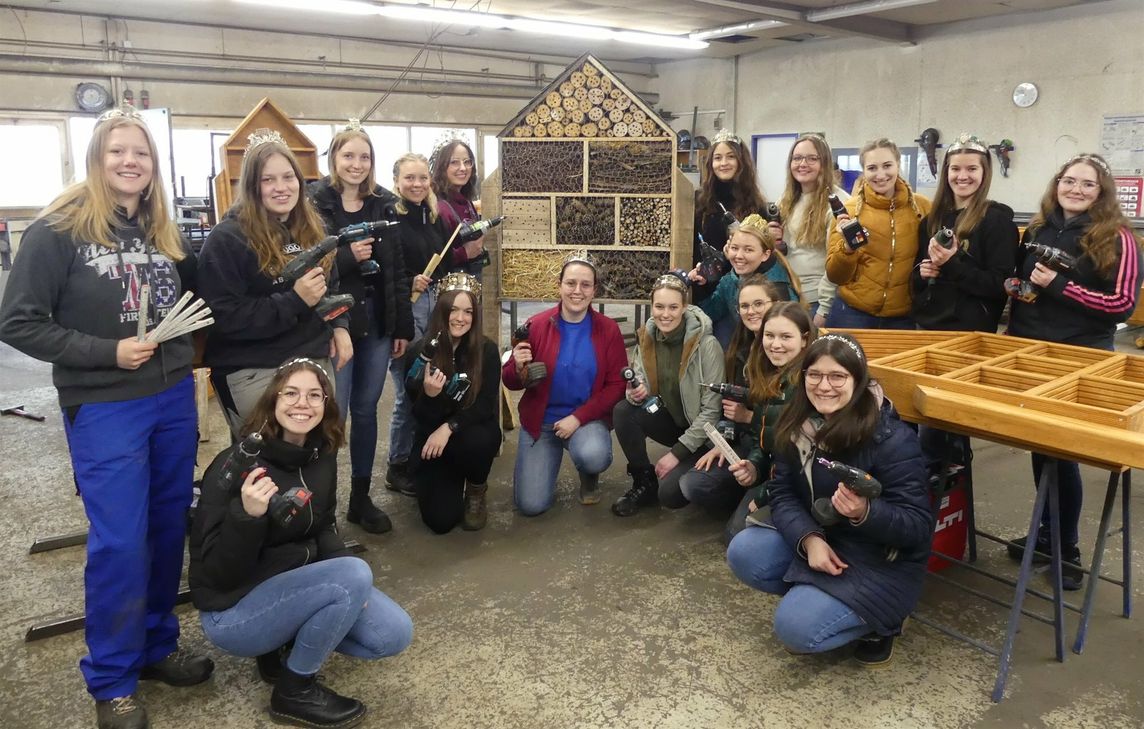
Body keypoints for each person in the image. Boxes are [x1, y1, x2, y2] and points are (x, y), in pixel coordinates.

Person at [0, 106, 213, 729]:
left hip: (172, 398)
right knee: (120, 540)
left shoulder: (161, 233)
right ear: (97, 158)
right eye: (118, 151)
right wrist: (106, 353)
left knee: (167, 525)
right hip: (105, 405)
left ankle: (153, 647)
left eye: (141, 154)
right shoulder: (57, 230)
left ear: (153, 167)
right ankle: (113, 678)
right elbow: (17, 322)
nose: (130, 162)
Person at [190, 358, 413, 728]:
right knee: (354, 574)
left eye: (314, 395)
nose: (301, 404)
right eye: (290, 393)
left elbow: (324, 526)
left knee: (392, 634)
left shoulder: (320, 455)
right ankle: (294, 690)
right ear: (273, 401)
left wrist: (352, 584)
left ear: (326, 404)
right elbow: (216, 576)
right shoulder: (235, 465)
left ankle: (282, 645)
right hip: (232, 612)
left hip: (288, 585)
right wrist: (246, 518)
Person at [726, 334, 933, 665]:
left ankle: (882, 624)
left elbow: (919, 527)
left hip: (878, 559)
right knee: (744, 551)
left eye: (837, 376)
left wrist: (866, 512)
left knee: (796, 629)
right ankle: (819, 598)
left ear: (858, 379)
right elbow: (782, 491)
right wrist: (809, 540)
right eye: (814, 375)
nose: (824, 386)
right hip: (825, 538)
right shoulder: (796, 423)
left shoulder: (892, 439)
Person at [1006, 153, 1143, 590]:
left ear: (1101, 193)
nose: (1076, 189)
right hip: (1032, 349)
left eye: (1087, 184)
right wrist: (1019, 289)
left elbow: (1121, 306)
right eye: (1069, 181)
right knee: (1039, 448)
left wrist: (1058, 286)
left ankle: (1068, 549)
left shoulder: (1119, 239)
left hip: (1080, 355)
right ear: (1057, 183)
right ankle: (1046, 534)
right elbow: (1026, 284)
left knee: (1062, 454)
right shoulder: (1039, 229)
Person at [198, 129, 352, 436]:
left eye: (288, 177)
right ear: (253, 187)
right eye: (268, 180)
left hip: (313, 358)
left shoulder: (315, 229)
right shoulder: (227, 239)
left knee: (318, 456)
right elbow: (224, 316)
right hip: (255, 367)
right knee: (267, 467)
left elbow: (331, 286)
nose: (281, 188)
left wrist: (340, 326)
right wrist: (294, 301)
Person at [309, 123, 412, 535]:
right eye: (348, 155)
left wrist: (401, 323)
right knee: (331, 416)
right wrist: (347, 257)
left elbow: (398, 270)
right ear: (334, 159)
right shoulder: (315, 205)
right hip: (337, 323)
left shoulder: (385, 205)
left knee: (366, 412)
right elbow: (307, 266)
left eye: (364, 157)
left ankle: (360, 498)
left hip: (377, 321)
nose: (356, 164)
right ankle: (324, 509)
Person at [909, 133, 1018, 470]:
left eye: (972, 168)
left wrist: (952, 264)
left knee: (944, 428)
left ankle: (948, 496)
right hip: (929, 327)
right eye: (956, 169)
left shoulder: (996, 220)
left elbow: (998, 286)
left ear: (984, 173)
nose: (963, 176)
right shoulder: (931, 220)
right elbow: (916, 279)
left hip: (968, 335)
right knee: (924, 417)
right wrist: (923, 272)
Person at [504, 251, 627, 515]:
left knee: (593, 454)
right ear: (559, 285)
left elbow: (617, 385)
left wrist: (579, 418)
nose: (577, 291)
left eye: (585, 285)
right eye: (570, 283)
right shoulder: (536, 325)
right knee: (531, 505)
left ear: (594, 290)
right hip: (543, 423)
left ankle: (588, 473)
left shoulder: (608, 330)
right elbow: (511, 382)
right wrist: (516, 366)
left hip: (584, 421)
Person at [612, 273, 724, 517]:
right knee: (623, 410)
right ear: (651, 307)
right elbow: (639, 384)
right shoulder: (647, 337)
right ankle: (643, 481)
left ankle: (703, 474)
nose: (665, 314)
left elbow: (712, 411)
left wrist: (676, 454)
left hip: (701, 432)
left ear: (685, 307)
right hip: (670, 420)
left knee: (670, 493)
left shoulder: (707, 346)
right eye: (659, 306)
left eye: (673, 307)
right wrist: (636, 392)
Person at [672, 276, 782, 517]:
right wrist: (723, 442)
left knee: (738, 537)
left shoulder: (783, 352)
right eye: (744, 306)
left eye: (758, 304)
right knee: (684, 487)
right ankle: (740, 491)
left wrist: (749, 417)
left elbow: (790, 421)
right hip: (745, 445)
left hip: (777, 456)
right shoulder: (739, 349)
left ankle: (751, 496)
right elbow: (729, 411)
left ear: (775, 304)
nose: (751, 311)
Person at [404, 273, 502, 533]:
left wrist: (449, 427)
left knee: (481, 439)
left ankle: (476, 488)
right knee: (441, 522)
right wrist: (431, 396)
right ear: (441, 310)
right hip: (433, 444)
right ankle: (442, 482)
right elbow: (417, 416)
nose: (461, 318)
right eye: (454, 310)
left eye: (468, 311)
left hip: (466, 434)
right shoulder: (420, 353)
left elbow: (484, 406)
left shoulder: (487, 351)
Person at [384, 152, 454, 496]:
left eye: (422, 178)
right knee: (406, 391)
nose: (417, 184)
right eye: (409, 178)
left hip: (436, 303)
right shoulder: (390, 217)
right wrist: (411, 281)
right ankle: (397, 465)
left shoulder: (433, 213)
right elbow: (387, 269)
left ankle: (421, 456)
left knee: (432, 381)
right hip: (408, 307)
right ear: (396, 180)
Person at [723, 302, 816, 544]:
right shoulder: (768, 375)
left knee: (741, 539)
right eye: (769, 335)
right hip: (774, 475)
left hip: (801, 485)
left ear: (805, 339)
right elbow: (763, 441)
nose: (775, 344)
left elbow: (802, 462)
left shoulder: (811, 384)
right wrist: (754, 466)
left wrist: (765, 495)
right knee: (734, 533)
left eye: (786, 336)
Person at [826, 138, 931, 329]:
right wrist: (847, 249)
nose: (881, 174)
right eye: (872, 168)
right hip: (852, 313)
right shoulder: (848, 212)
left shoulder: (922, 207)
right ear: (864, 171)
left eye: (887, 165)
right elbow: (835, 276)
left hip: (902, 317)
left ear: (898, 165)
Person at [692, 213, 801, 347]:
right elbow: (710, 313)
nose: (739, 256)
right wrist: (704, 284)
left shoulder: (778, 290)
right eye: (734, 248)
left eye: (748, 250)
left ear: (765, 254)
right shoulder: (732, 279)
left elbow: (789, 338)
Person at [692, 129, 771, 305]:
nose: (723, 163)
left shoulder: (756, 205)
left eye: (730, 156)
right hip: (704, 291)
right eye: (718, 158)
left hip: (742, 292)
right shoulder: (698, 202)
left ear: (741, 161)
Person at [779, 133, 848, 328]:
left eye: (812, 158)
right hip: (790, 296)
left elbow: (838, 262)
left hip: (817, 301)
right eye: (797, 158)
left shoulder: (838, 203)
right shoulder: (787, 200)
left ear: (824, 163)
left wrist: (824, 309)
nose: (803, 164)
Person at [429, 138, 488, 276]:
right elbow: (431, 256)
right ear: (442, 167)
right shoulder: (438, 207)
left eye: (467, 162)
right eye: (454, 162)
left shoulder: (466, 202)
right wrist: (464, 253)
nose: (463, 168)